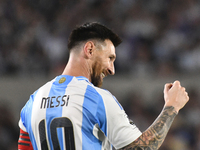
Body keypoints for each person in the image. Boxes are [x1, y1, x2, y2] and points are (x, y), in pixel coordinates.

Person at [18, 22, 189, 150]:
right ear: (90, 50)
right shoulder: (96, 98)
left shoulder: (32, 102)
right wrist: (172, 106)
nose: (111, 69)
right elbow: (141, 148)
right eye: (110, 58)